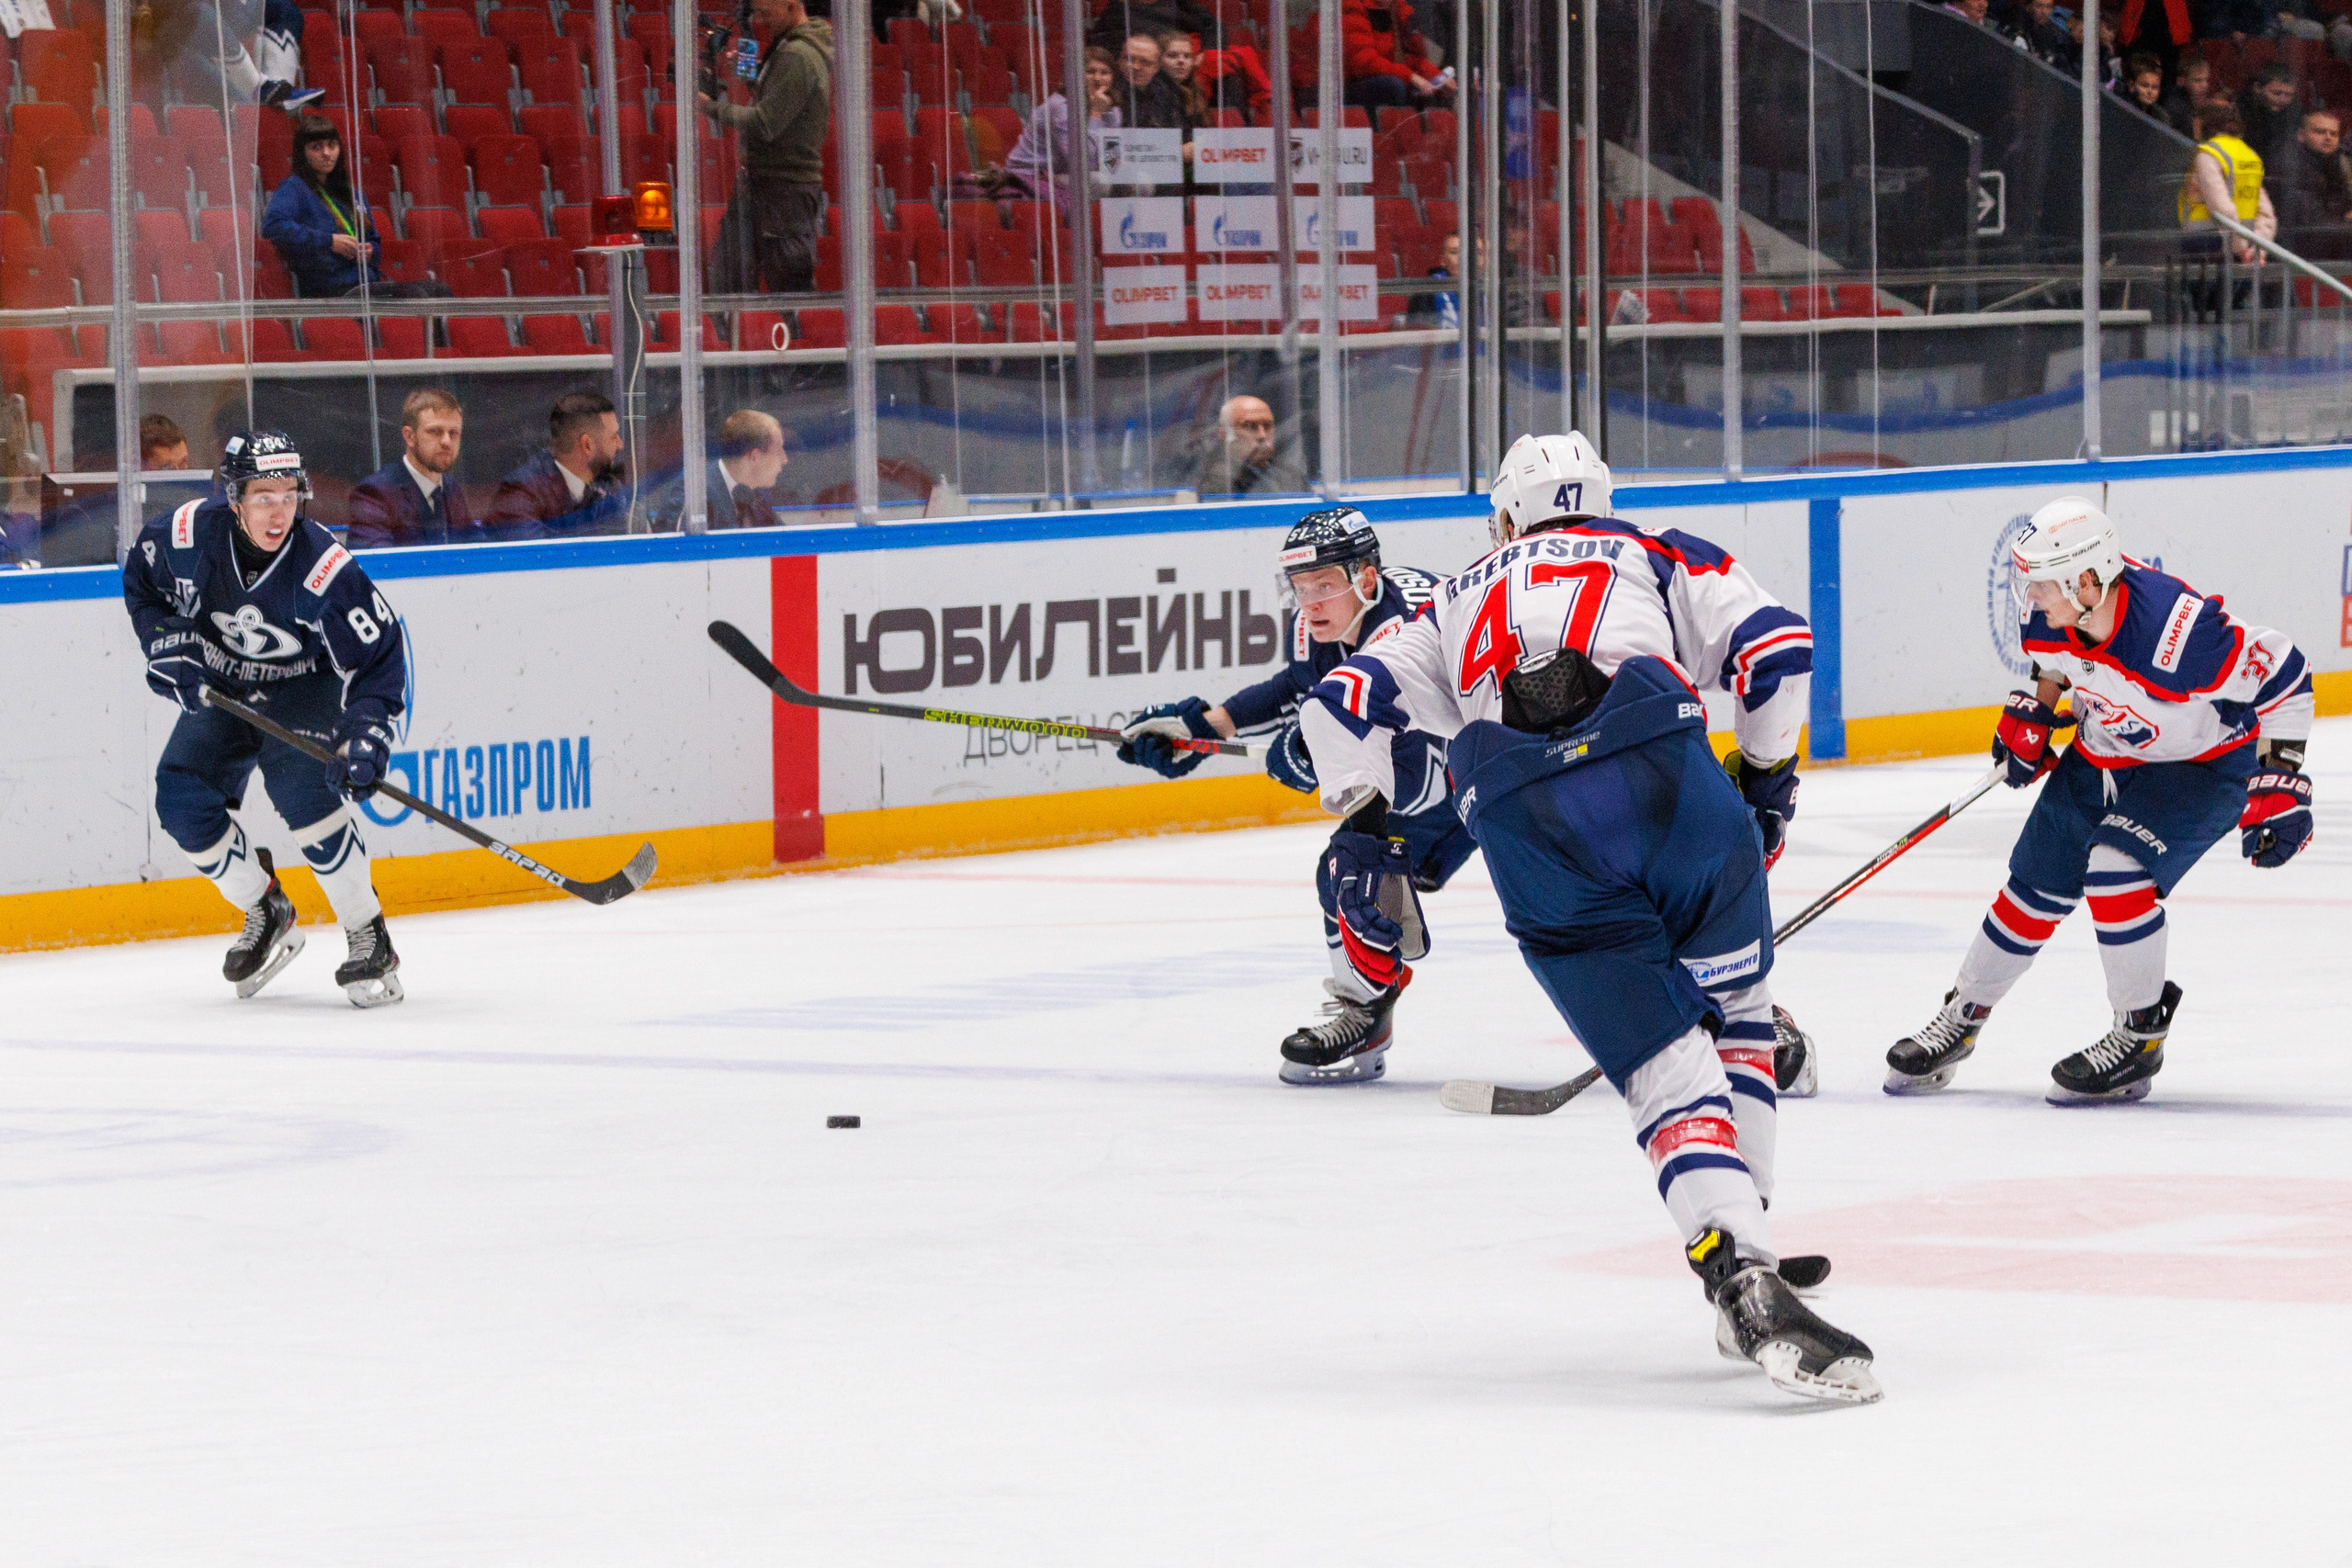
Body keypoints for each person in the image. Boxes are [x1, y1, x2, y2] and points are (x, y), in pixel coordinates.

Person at [1291, 432, 1871, 1403]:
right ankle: (1747, 1255)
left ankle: (1741, 1264)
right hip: (1669, 788)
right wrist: (1765, 784)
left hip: (1529, 828)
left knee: (1662, 1070)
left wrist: (1375, 790)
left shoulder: (1449, 593)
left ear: (1509, 515)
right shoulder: (1659, 547)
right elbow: (1778, 649)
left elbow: (1341, 707)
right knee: (1740, 1018)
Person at [1884, 497, 2313, 1105]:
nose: (2029, 599)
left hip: (2206, 762)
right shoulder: (2051, 614)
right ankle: (1963, 1014)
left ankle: (2139, 1036)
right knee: (2032, 884)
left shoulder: (2176, 635)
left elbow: (2287, 674)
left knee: (2117, 871)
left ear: (2086, 581)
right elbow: (2055, 662)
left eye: (2040, 585)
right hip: (2111, 745)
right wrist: (2038, 704)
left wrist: (2282, 775)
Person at [1115, 510, 1471, 1085]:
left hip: (1481, 766)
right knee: (1346, 869)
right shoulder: (1318, 628)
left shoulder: (1408, 626)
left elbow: (1423, 766)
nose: (1310, 603)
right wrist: (1208, 728)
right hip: (1434, 781)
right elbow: (1297, 688)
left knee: (1565, 892)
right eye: (1300, 588)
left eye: (1324, 586)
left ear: (1367, 579)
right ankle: (1365, 1011)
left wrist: (1310, 756)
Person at [122, 430, 408, 1005]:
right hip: (223, 685)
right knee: (179, 796)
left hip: (303, 689)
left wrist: (365, 733)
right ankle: (265, 905)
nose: (280, 512)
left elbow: (381, 655)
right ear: (233, 499)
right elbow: (142, 584)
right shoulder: (182, 537)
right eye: (262, 496)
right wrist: (165, 641)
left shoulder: (324, 568)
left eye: (288, 494)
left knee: (303, 789)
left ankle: (366, 931)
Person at [700, 0, 835, 295]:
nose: (759, 20)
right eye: (756, 13)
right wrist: (748, 73)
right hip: (765, 185)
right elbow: (774, 99)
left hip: (782, 192)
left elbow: (765, 122)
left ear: (790, 5)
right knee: (729, 278)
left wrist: (707, 106)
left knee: (788, 290)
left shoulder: (798, 55)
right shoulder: (790, 47)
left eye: (765, 12)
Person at [263, 116, 453, 299]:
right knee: (416, 297)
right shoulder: (294, 187)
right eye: (316, 148)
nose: (327, 153)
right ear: (302, 153)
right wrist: (329, 241)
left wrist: (370, 252)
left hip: (367, 283)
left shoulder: (353, 194)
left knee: (439, 291)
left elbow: (374, 240)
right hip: (332, 288)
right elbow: (273, 226)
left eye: (332, 145)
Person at [994, 46, 1121, 213]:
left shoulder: (1111, 108)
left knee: (1141, 183)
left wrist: (1107, 113)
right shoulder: (1060, 106)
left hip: (1064, 175)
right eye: (1090, 72)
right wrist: (1096, 114)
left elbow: (1112, 161)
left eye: (1105, 72)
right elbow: (1083, 163)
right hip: (1032, 176)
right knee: (1100, 182)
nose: (1097, 79)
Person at [347, 389, 480, 549]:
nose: (446, 441)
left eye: (453, 433)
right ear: (409, 436)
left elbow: (478, 547)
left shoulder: (449, 486)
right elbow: (380, 566)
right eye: (435, 431)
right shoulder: (374, 493)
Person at [489, 392, 630, 539]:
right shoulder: (520, 495)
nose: (620, 444)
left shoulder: (609, 488)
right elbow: (539, 559)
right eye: (614, 436)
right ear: (587, 445)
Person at [2178, 100, 2278, 264]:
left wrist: (2240, 249)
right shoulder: (2249, 154)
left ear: (2202, 122)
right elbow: (2267, 214)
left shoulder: (2208, 155)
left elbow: (2222, 209)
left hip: (2207, 245)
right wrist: (2256, 249)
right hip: (2246, 248)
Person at [1334, 0, 1451, 111]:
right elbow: (1364, 62)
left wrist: (1437, 76)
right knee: (1394, 86)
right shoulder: (1352, 6)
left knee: (1437, 91)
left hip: (1388, 74)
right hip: (1347, 85)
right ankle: (1380, 130)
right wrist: (1411, 76)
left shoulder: (1400, 10)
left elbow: (1409, 57)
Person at [1183, 394, 1306, 496]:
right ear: (1225, 435)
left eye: (1267, 426)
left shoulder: (1291, 477)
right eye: (1250, 426)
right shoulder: (1217, 479)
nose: (1262, 436)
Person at [2275, 107, 2352, 254]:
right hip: (2299, 249)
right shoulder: (2290, 165)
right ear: (2301, 135)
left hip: (2329, 241)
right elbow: (2310, 219)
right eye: (2320, 132)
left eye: (2334, 134)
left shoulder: (2334, 163)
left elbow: (2345, 202)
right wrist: (2346, 220)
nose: (2328, 137)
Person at [2238, 63, 2302, 169]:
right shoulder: (2241, 110)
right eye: (2276, 93)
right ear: (2257, 88)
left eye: (2289, 95)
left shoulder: (2293, 112)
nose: (2283, 99)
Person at [1407, 231, 1462, 329]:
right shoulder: (1427, 293)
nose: (1461, 258)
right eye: (1454, 252)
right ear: (1443, 260)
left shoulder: (1485, 289)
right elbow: (1420, 333)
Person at [2161, 54, 2213, 141]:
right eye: (2197, 80)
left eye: (2206, 80)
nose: (2204, 85)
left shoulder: (2204, 104)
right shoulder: (2174, 109)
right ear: (2181, 81)